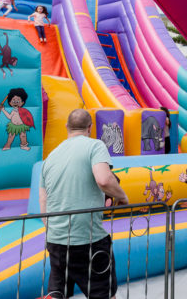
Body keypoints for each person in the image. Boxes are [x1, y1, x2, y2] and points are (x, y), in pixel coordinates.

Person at [39, 109, 129, 299]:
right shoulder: (95, 146)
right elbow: (104, 179)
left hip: (56, 241)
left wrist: (54, 230)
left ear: (66, 127)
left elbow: (43, 201)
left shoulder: (50, 157)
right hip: (88, 240)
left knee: (57, 293)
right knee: (102, 292)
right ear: (90, 128)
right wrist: (122, 197)